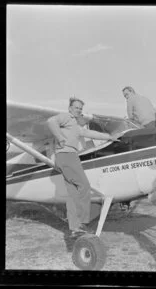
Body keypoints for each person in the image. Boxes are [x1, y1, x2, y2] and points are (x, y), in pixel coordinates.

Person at [47, 97, 119, 237]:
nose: (79, 110)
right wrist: (60, 138)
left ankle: (75, 228)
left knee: (73, 193)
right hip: (67, 156)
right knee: (84, 186)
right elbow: (51, 121)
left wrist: (109, 137)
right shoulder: (66, 117)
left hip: (65, 157)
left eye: (80, 108)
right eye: (76, 107)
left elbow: (90, 133)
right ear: (70, 108)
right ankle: (82, 221)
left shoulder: (75, 125)